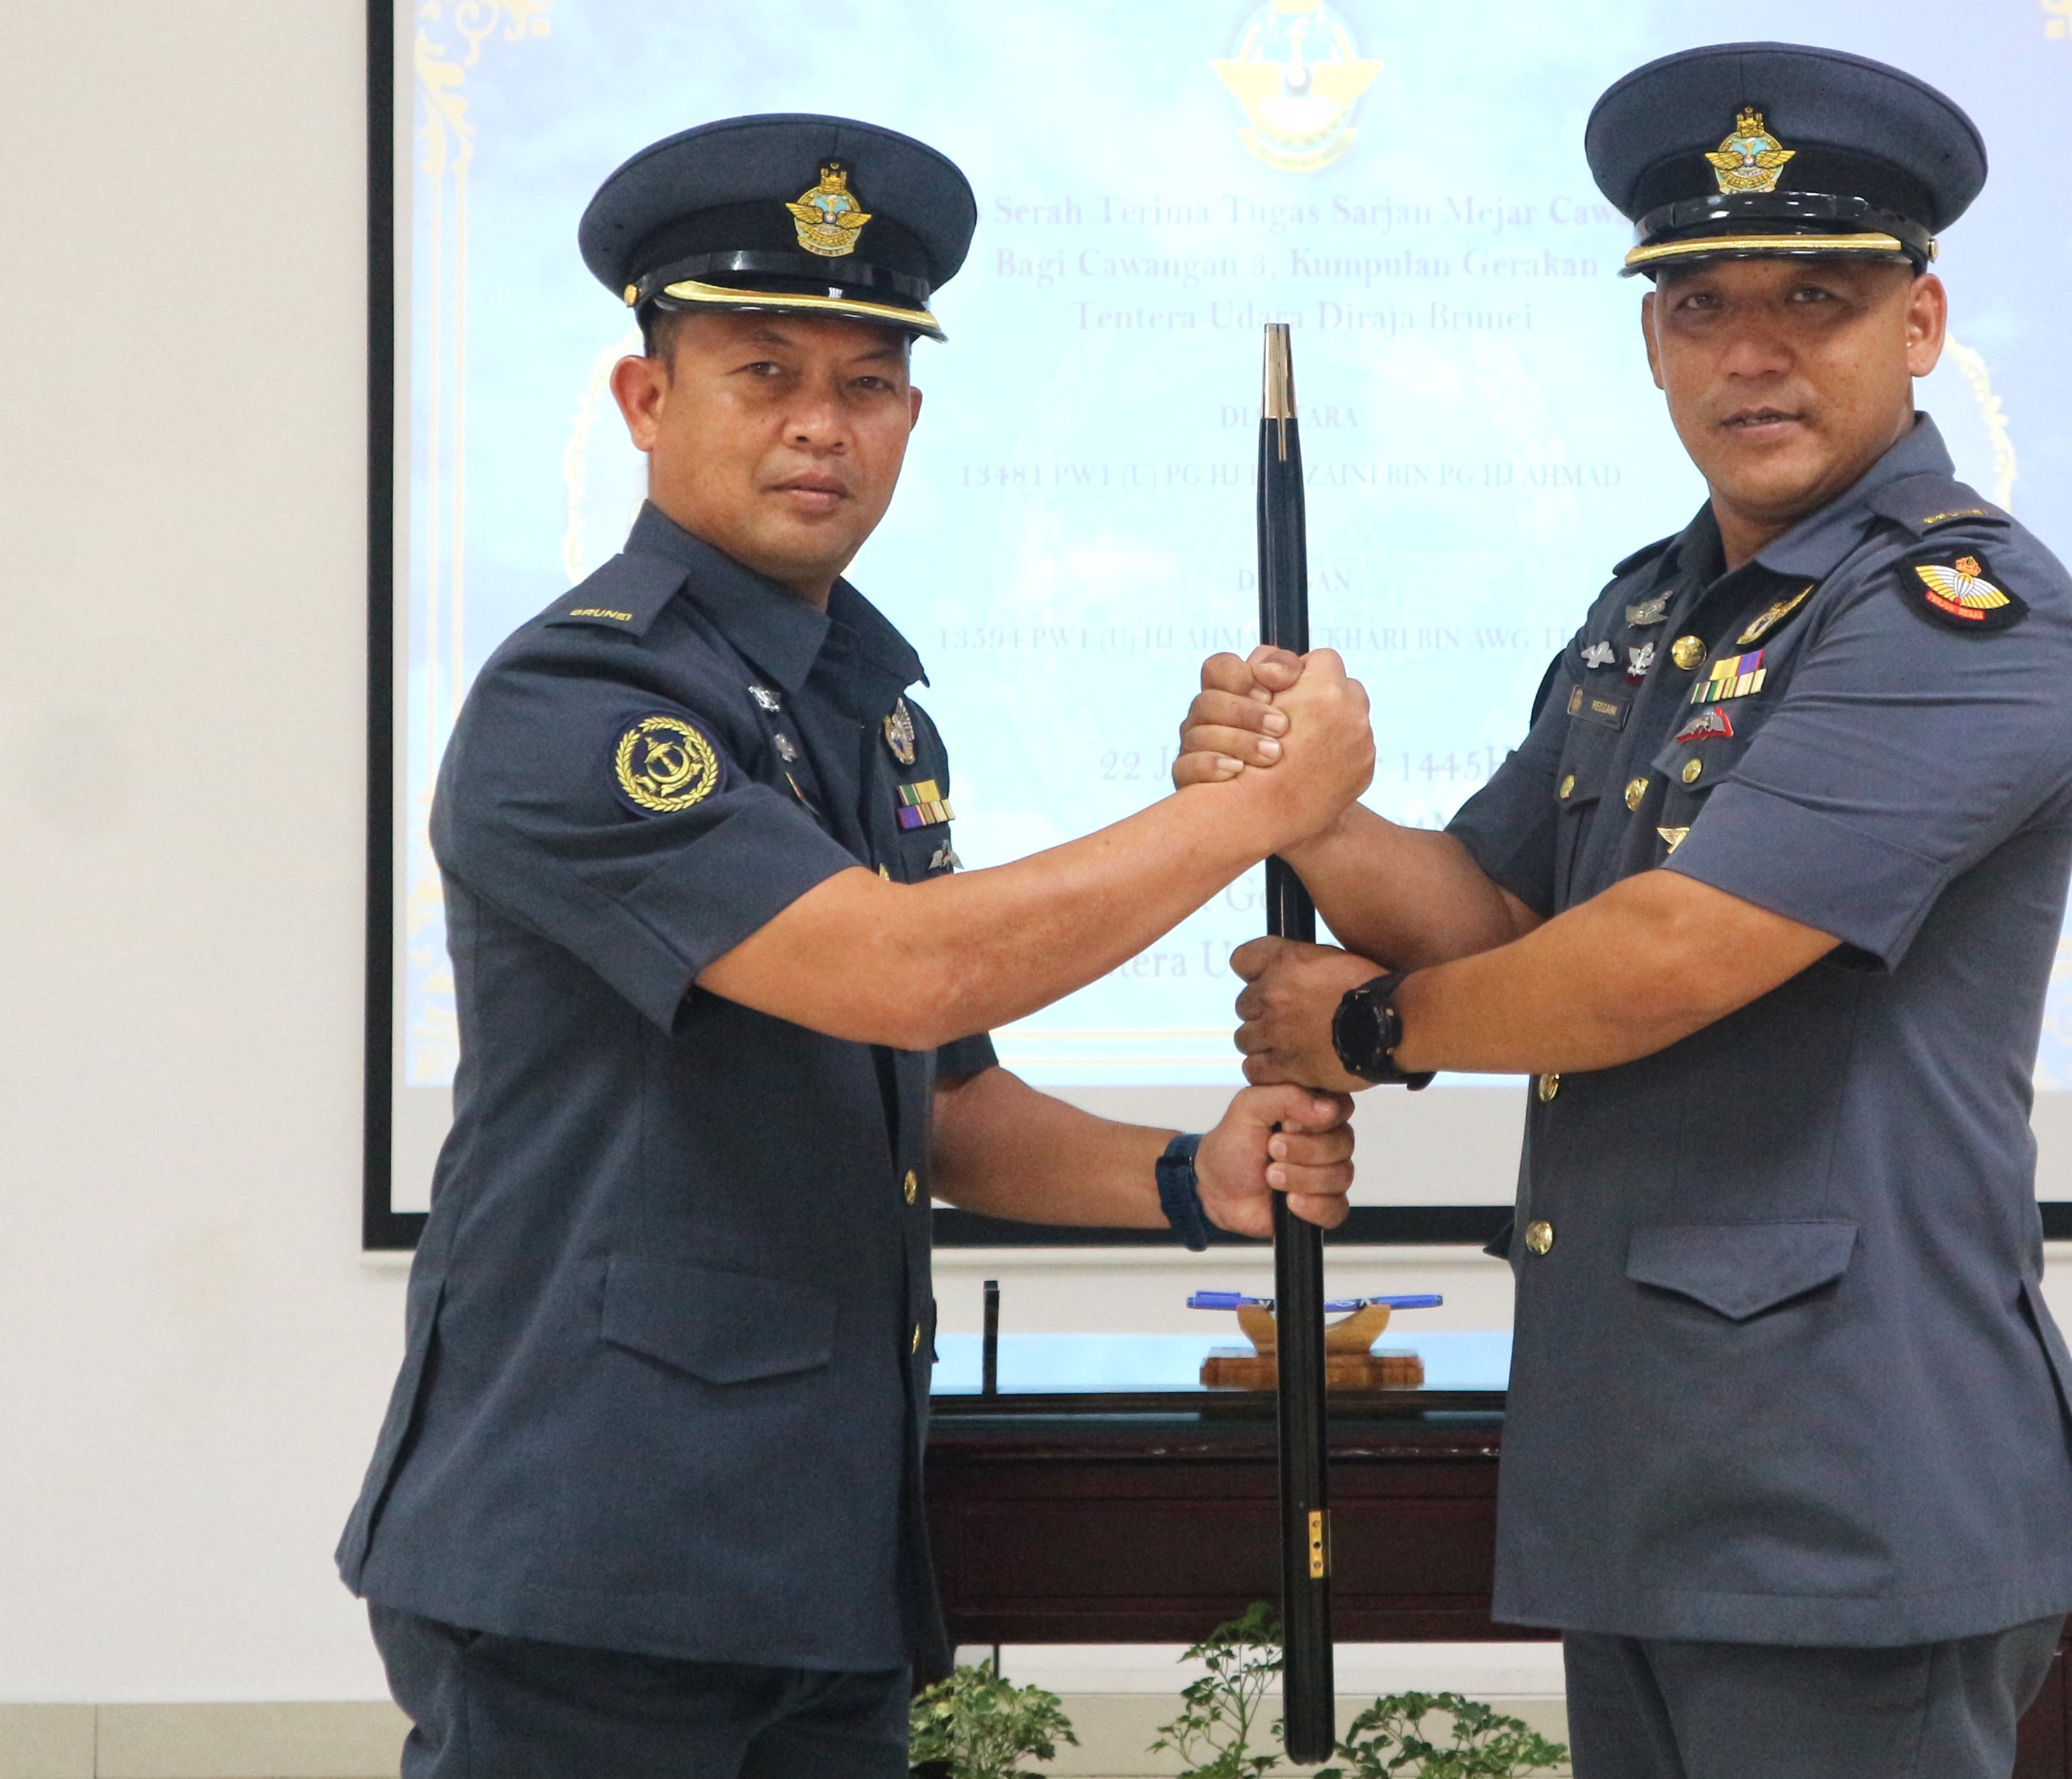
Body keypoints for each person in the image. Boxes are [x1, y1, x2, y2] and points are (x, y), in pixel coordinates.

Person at [336, 113, 1375, 1779]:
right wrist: (1257, 812)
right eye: (764, 372)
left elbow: (940, 1098)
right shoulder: (583, 696)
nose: (822, 423)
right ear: (645, 399)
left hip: (814, 1565)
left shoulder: (867, 710)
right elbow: (902, 970)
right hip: (598, 1554)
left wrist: (1194, 1176)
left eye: (869, 382)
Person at [1177, 44, 2072, 1779]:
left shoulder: (1959, 616)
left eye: (1814, 299)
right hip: (1654, 1468)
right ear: (1652, 341)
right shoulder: (1655, 612)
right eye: (1701, 305)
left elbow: (1670, 957)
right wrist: (1302, 803)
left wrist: (1366, 1028)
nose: (1752, 351)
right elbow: (1487, 909)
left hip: (1847, 1486)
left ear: (1920, 322)